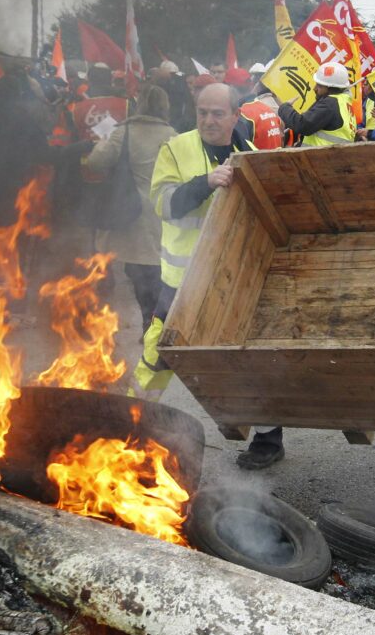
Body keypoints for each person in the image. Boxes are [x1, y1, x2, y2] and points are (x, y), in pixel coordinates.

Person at [128, 82, 253, 400]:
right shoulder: (175, 148)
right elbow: (164, 205)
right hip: (180, 283)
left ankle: (266, 439)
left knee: (245, 358)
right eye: (202, 112)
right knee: (157, 357)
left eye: (217, 113)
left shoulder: (250, 155)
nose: (208, 120)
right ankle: (132, 420)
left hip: (230, 281)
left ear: (235, 116)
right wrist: (206, 182)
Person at [86, 84, 176, 334]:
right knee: (155, 270)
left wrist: (102, 141)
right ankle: (156, 323)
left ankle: (152, 323)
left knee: (138, 271)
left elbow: (96, 162)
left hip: (131, 214)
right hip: (161, 213)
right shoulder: (173, 135)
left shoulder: (121, 132)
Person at [277, 61, 356, 146]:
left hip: (321, 157)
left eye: (319, 86)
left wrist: (284, 108)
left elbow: (303, 125)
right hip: (331, 156)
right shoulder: (343, 102)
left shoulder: (330, 104)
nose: (315, 89)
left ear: (330, 87)